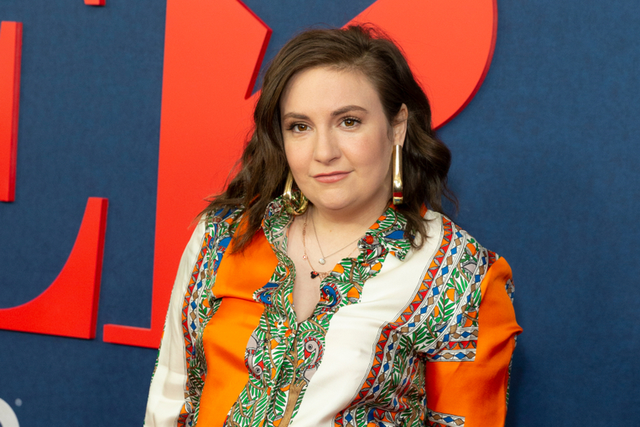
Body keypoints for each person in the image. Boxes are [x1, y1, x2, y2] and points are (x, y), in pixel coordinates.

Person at [144, 25, 521, 427]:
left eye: (349, 122)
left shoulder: (461, 274)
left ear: (397, 126)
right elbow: (171, 398)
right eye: (300, 127)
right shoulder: (222, 238)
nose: (323, 152)